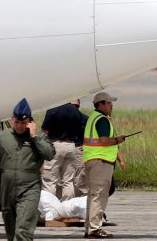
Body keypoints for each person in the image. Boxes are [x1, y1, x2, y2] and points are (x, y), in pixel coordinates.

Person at [0, 98, 56, 241]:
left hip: (29, 189)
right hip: (7, 190)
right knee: (11, 234)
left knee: (23, 231)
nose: (20, 126)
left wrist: (35, 137)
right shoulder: (2, 138)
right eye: (17, 122)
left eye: (23, 123)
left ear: (30, 121)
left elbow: (49, 154)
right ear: (11, 119)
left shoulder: (38, 138)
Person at [84, 92, 126, 239]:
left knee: (93, 195)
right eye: (109, 102)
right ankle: (95, 229)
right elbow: (103, 141)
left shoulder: (93, 117)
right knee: (99, 196)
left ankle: (90, 227)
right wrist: (117, 140)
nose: (111, 105)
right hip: (100, 162)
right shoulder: (102, 119)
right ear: (100, 104)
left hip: (92, 160)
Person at [40, 98, 85, 201]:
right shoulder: (75, 111)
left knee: (50, 180)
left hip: (54, 145)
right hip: (71, 146)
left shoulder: (53, 108)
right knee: (68, 181)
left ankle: (50, 206)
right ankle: (67, 207)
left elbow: (44, 130)